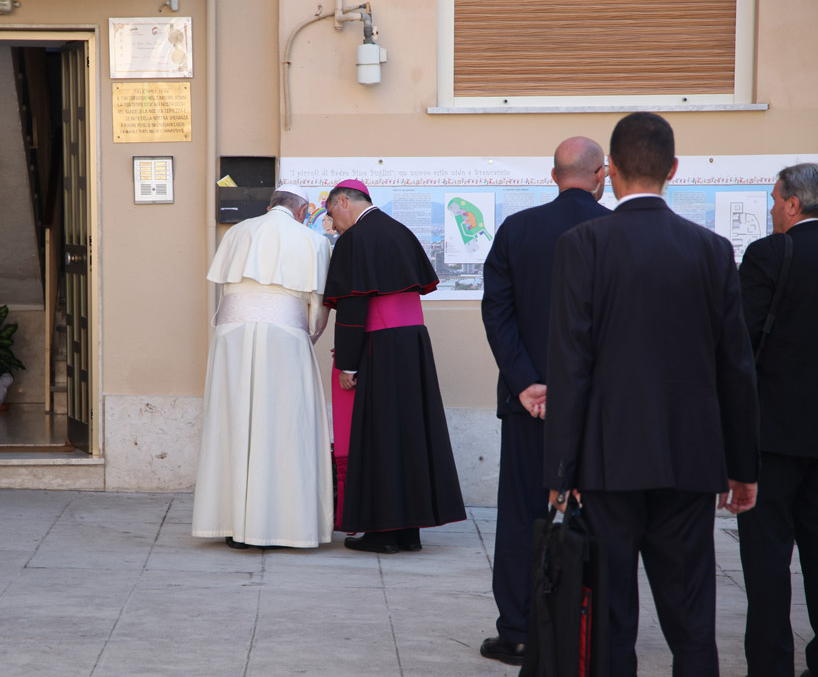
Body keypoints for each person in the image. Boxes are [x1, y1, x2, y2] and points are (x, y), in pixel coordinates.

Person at [544, 112, 759, 676]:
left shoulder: (582, 244)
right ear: (674, 169)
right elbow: (736, 366)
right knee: (692, 619)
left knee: (613, 616)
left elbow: (570, 365)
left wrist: (559, 473)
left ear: (609, 170)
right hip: (690, 460)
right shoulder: (711, 250)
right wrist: (743, 466)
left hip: (608, 461)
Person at [479, 136, 609, 666]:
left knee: (521, 515)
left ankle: (518, 630)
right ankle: (589, 630)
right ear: (601, 175)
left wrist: (527, 383)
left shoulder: (517, 230)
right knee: (601, 518)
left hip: (528, 406)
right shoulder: (612, 233)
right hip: (600, 409)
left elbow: (498, 315)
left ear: (553, 176)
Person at [323, 179, 466, 554]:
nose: (332, 224)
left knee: (381, 438)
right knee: (409, 436)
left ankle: (383, 533)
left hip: (379, 346)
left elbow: (354, 307)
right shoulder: (399, 230)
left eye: (330, 215)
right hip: (412, 344)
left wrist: (348, 364)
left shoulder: (356, 239)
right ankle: (408, 532)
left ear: (343, 202)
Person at [191, 184, 334, 549]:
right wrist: (310, 335)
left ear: (271, 205)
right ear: (302, 211)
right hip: (285, 337)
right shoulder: (313, 241)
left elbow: (225, 291)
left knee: (233, 421)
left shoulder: (237, 232)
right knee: (284, 426)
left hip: (231, 336)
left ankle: (231, 522)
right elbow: (317, 307)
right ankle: (281, 525)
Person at [737, 162, 818, 677]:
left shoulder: (770, 254)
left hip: (773, 437)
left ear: (794, 204)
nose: (772, 209)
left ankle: (770, 665)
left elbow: (741, 343)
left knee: (767, 562)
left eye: (774, 200)